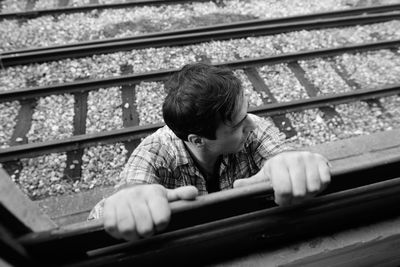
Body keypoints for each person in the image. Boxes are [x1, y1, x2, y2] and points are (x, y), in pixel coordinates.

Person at [89, 63, 331, 241]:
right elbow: (129, 191)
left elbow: (281, 154)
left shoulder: (252, 129)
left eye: (247, 112)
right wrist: (126, 203)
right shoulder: (153, 154)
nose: (253, 124)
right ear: (198, 140)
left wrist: (291, 165)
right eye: (238, 124)